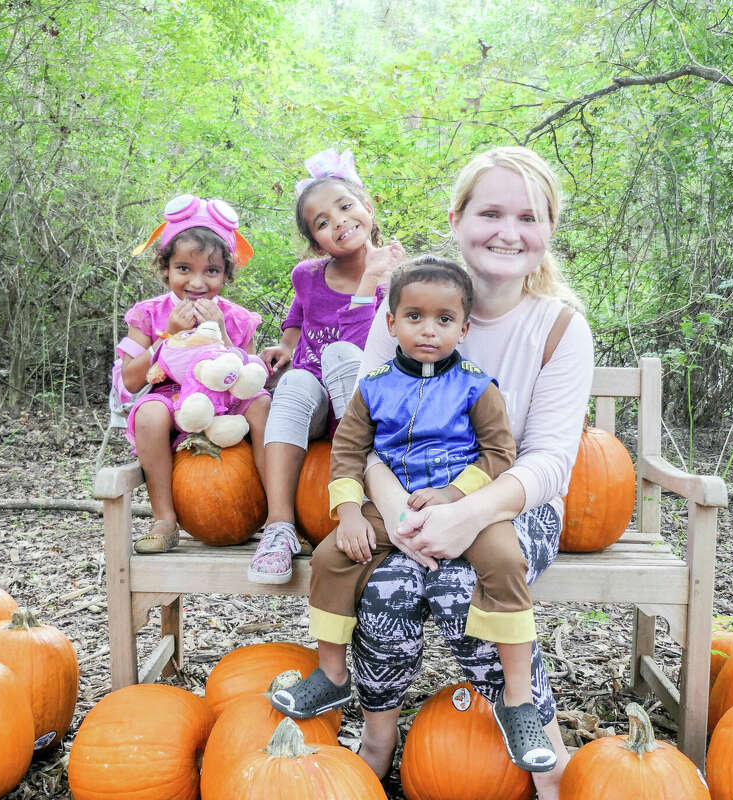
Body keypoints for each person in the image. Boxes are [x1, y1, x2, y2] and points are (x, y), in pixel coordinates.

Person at [347, 147, 594, 798]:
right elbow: (366, 430)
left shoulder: (559, 328)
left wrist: (467, 514)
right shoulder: (406, 307)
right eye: (490, 212)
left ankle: (540, 745)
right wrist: (400, 515)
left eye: (528, 217)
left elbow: (548, 461)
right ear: (457, 219)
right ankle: (375, 744)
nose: (508, 231)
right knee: (389, 586)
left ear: (547, 232)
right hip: (406, 497)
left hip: (515, 507)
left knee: (464, 585)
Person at [269, 255, 557, 772]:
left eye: (444, 320)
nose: (429, 330)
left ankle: (518, 700)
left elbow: (500, 455)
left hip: (463, 507)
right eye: (415, 317)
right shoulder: (374, 385)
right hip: (392, 505)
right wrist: (350, 511)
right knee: (335, 556)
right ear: (391, 321)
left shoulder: (476, 386)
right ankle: (333, 676)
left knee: (505, 560)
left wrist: (454, 495)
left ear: (464, 327)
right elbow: (348, 452)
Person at [248, 148, 405, 584]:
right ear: (317, 243)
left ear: (368, 208)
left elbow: (369, 350)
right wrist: (284, 346)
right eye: (321, 221)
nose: (337, 220)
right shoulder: (308, 275)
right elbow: (299, 314)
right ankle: (279, 527)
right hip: (316, 406)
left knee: (339, 353)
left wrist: (372, 279)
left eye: (345, 206)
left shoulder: (399, 279)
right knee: (297, 376)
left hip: (366, 413)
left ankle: (364, 497)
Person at [112, 193, 271, 554]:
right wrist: (165, 334)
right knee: (150, 414)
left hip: (224, 403)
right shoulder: (148, 315)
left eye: (211, 271)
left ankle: (279, 518)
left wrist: (226, 334)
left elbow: (247, 377)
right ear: (166, 268)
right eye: (184, 269)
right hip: (171, 399)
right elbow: (131, 380)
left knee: (262, 405)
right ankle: (164, 520)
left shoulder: (237, 318)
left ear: (226, 275)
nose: (197, 282)